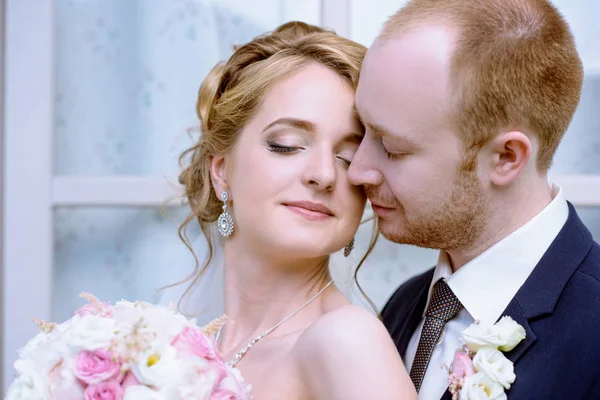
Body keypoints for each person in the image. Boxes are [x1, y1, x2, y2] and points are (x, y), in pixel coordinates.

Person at [348, 0, 600, 399]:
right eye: (359, 130)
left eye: (392, 148)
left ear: (505, 158)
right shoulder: (405, 304)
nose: (357, 170)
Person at [177, 21, 416, 400]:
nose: (323, 175)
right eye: (287, 145)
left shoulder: (347, 341)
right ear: (221, 171)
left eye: (347, 157)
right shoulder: (179, 351)